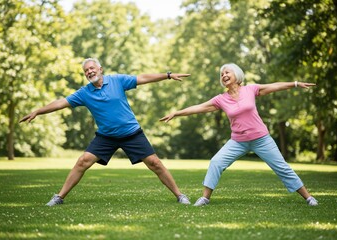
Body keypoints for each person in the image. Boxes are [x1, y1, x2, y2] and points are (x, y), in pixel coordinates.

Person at [20, 58, 191, 206]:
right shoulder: (84, 93)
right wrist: (37, 111)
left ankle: (180, 195)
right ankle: (59, 197)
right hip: (106, 137)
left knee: (155, 163)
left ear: (100, 69)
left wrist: (167, 75)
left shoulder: (117, 81)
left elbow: (143, 78)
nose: (89, 72)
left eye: (92, 68)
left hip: (131, 133)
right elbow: (61, 102)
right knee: (83, 161)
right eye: (86, 70)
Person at [160, 63, 318, 207]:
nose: (224, 75)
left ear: (237, 74)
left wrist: (295, 84)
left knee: (282, 168)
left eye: (227, 72)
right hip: (238, 141)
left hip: (261, 139)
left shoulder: (251, 90)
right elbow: (199, 107)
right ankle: (205, 198)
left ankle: (308, 198)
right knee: (216, 162)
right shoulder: (221, 99)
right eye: (222, 74)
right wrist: (177, 113)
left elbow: (274, 86)